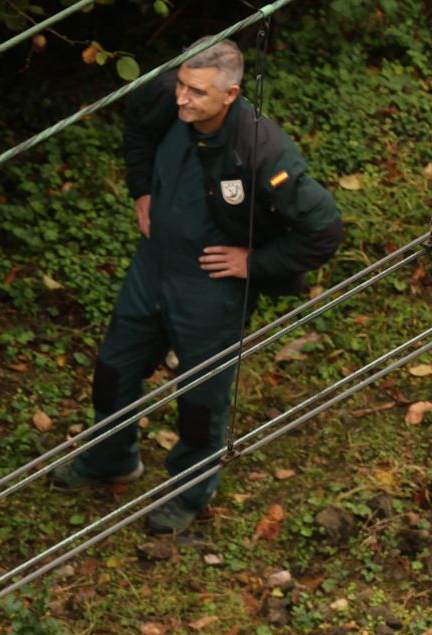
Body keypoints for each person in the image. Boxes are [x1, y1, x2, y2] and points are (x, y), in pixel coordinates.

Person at [50, 38, 342, 534]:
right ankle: (110, 458)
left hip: (209, 286)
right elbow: (138, 132)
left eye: (197, 93)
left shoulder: (262, 150)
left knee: (201, 395)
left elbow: (325, 230)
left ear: (230, 94)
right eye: (181, 84)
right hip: (153, 265)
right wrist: (141, 189)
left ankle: (190, 491)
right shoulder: (169, 98)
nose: (182, 98)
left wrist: (255, 262)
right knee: (114, 367)